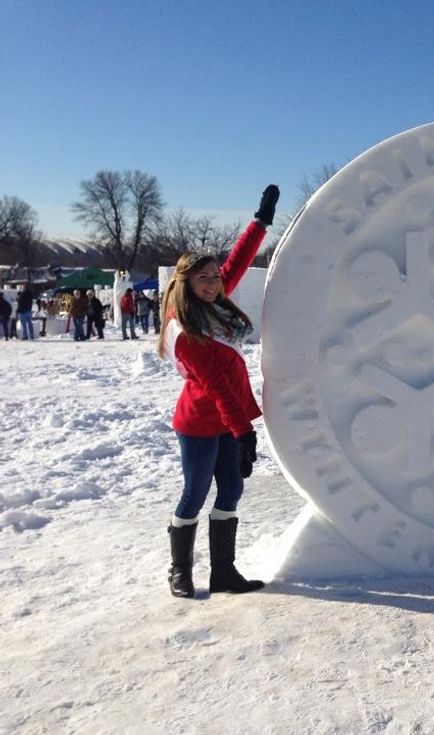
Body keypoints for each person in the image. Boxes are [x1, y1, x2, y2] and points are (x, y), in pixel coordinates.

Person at [158, 184, 278, 598]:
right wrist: (243, 432)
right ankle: (179, 570)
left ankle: (223, 573)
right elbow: (216, 386)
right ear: (185, 282)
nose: (213, 283)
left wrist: (260, 222)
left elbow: (237, 261)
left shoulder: (213, 302)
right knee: (194, 492)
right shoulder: (187, 329)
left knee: (231, 489)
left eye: (214, 277)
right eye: (203, 278)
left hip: (229, 420)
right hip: (200, 423)